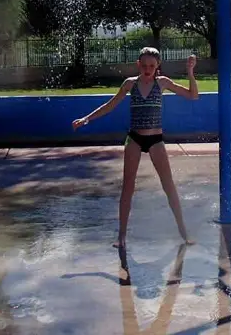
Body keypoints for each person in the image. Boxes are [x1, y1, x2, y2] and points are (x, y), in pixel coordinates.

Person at [73, 48, 199, 248]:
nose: (148, 69)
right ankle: (121, 236)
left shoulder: (163, 83)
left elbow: (193, 95)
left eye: (152, 65)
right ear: (138, 64)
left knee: (168, 185)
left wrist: (190, 72)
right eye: (144, 65)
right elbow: (110, 105)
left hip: (156, 139)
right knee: (128, 187)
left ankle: (184, 232)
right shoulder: (130, 84)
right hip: (134, 138)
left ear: (157, 65)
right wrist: (86, 119)